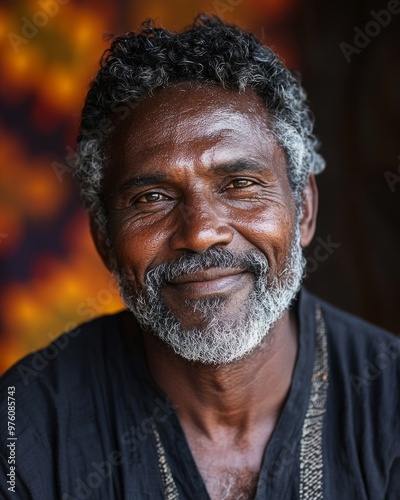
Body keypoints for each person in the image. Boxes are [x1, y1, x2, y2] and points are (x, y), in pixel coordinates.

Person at [1, 14, 399, 500]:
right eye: (152, 198)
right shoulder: (24, 425)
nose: (202, 232)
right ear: (104, 238)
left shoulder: (390, 399)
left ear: (305, 209)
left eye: (240, 185)